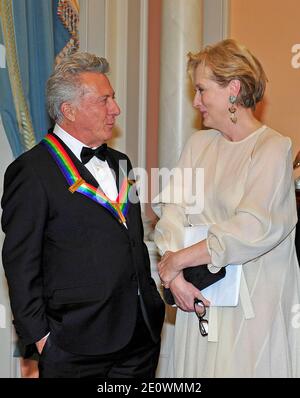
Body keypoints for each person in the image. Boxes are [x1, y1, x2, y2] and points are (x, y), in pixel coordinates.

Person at [1, 52, 165, 378]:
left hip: (138, 337)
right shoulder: (31, 172)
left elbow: (129, 239)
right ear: (68, 110)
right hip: (75, 345)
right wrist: (42, 341)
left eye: (114, 98)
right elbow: (21, 264)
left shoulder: (121, 163)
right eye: (104, 100)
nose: (115, 109)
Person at [152, 39, 300, 377]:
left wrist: (179, 260)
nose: (195, 101)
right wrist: (175, 279)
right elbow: (172, 213)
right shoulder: (198, 145)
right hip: (197, 297)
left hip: (252, 310)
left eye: (202, 90)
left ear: (233, 89)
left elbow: (252, 227)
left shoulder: (272, 148)